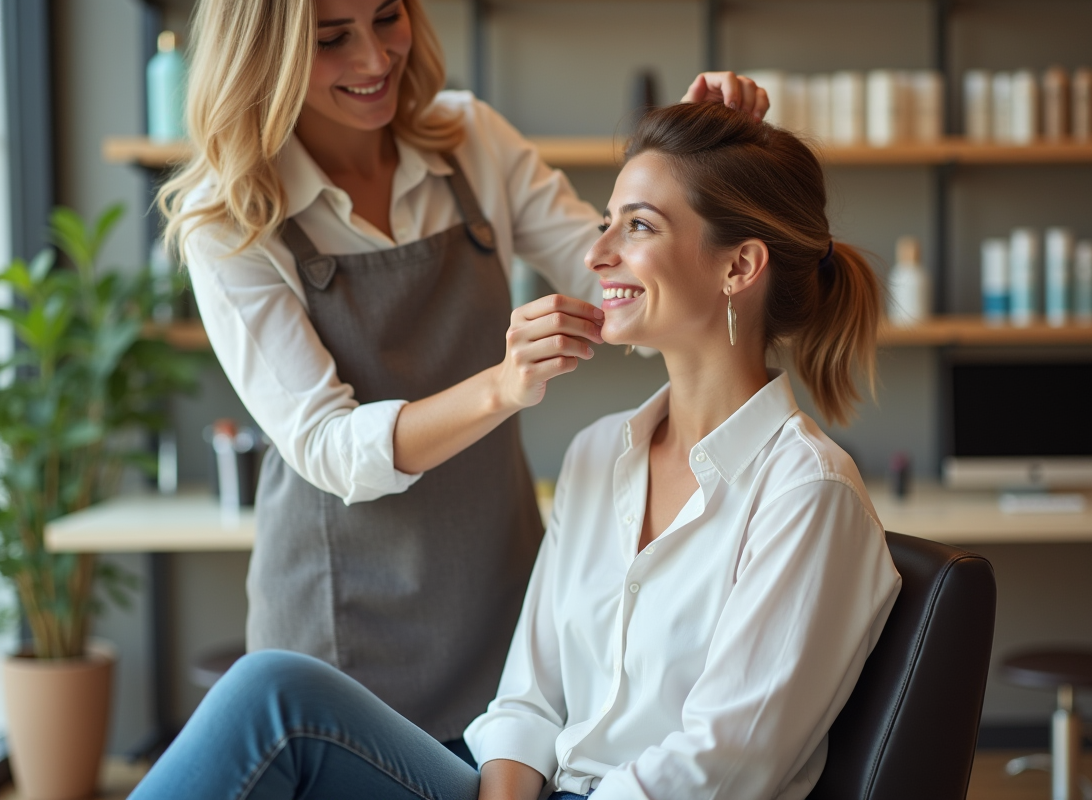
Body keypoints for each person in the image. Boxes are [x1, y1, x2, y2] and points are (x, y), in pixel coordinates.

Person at [133, 101, 902, 800]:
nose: (596, 252)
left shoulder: (807, 493)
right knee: (273, 693)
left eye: (636, 226)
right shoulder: (600, 454)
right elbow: (528, 701)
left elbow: (724, 763)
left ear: (739, 266)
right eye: (607, 220)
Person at [162, 0, 771, 756]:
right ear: (262, 54)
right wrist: (502, 387)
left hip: (498, 608)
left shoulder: (472, 139)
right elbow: (324, 444)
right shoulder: (229, 216)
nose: (376, 59)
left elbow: (618, 281)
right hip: (342, 625)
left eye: (388, 18)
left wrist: (694, 157)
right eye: (331, 39)